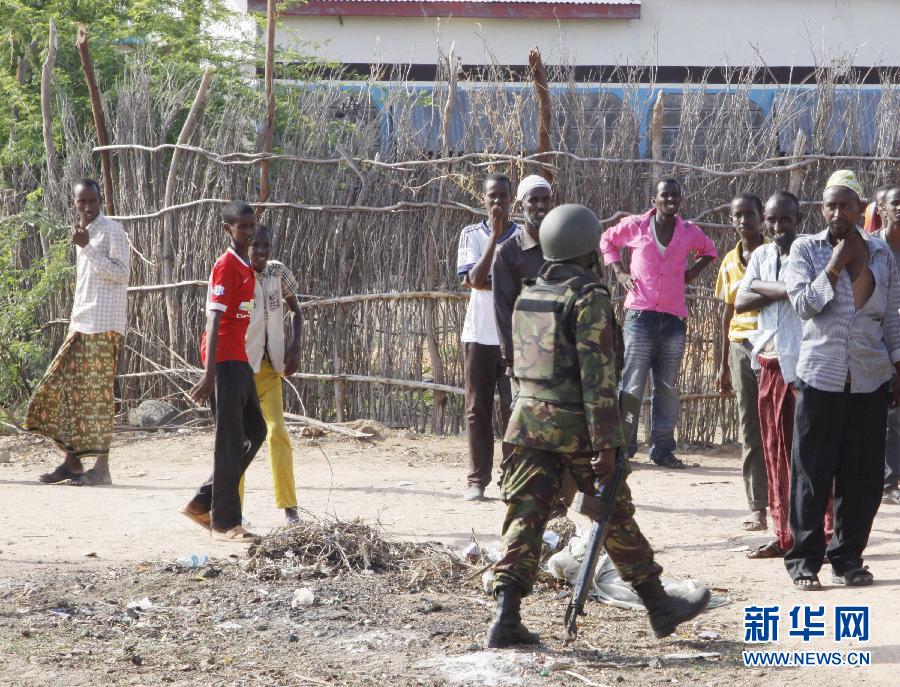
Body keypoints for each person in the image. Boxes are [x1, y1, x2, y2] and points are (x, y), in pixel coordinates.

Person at [486, 204, 710, 649]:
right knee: (613, 515)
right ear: (589, 252)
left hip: (526, 424)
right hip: (576, 428)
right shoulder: (588, 298)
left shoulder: (530, 293)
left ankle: (505, 615)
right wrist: (608, 447)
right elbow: (598, 379)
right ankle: (659, 606)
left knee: (524, 517)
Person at [784, 170, 900, 590]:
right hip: (820, 376)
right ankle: (804, 561)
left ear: (859, 209)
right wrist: (836, 264)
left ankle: (848, 557)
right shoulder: (806, 250)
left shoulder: (882, 254)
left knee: (863, 475)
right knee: (812, 472)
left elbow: (891, 318)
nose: (838, 212)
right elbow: (803, 306)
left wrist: (897, 365)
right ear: (822, 209)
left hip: (870, 377)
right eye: (831, 205)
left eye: (846, 205)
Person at [736, 191, 833, 559]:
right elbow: (741, 300)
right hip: (770, 363)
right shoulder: (761, 254)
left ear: (799, 217)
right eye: (772, 221)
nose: (778, 227)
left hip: (804, 366)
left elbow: (812, 298)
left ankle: (822, 533)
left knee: (808, 455)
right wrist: (784, 291)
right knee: (775, 452)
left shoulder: (810, 250)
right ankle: (784, 535)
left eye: (785, 220)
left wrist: (763, 287)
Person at [599, 179, 717, 468]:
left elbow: (710, 252)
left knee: (666, 386)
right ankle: (624, 447)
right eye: (665, 195)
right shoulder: (635, 226)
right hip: (640, 316)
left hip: (674, 319)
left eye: (675, 195)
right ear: (654, 200)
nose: (671, 199)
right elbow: (606, 241)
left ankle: (662, 449)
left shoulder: (689, 232)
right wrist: (619, 273)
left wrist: (690, 274)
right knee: (632, 383)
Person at [25, 179, 130, 486]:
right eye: (81, 202)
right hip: (82, 322)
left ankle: (102, 467)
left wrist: (87, 248)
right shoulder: (81, 233)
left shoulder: (112, 230)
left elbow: (122, 274)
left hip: (104, 325)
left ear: (101, 201)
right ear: (74, 204)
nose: (87, 207)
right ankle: (72, 462)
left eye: (92, 201)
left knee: (97, 395)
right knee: (63, 390)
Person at [182, 201, 267, 543]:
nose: (248, 231)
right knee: (229, 441)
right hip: (224, 360)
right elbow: (214, 319)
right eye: (242, 226)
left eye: (251, 226)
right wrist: (209, 373)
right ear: (227, 230)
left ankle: (204, 501)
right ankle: (224, 524)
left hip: (239, 357)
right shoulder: (226, 266)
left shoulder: (247, 265)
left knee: (256, 431)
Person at [456, 173, 517, 501]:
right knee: (476, 410)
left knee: (514, 410)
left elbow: (526, 284)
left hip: (513, 338)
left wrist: (499, 283)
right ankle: (477, 480)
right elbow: (475, 280)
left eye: (503, 197)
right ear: (483, 199)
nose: (498, 203)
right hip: (479, 335)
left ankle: (511, 479)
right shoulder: (471, 234)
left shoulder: (524, 236)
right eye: (492, 197)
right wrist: (494, 237)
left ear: (512, 199)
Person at [239, 224, 303, 524]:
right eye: (256, 245)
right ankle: (232, 509)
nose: (261, 251)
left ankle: (289, 507)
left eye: (266, 245)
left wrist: (295, 345)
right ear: (246, 245)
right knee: (240, 440)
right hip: (241, 368)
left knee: (277, 432)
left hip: (270, 368)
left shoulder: (278, 273)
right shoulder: (238, 274)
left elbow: (296, 309)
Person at [714, 194, 768, 532]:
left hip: (772, 348)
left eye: (749, 214)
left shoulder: (776, 254)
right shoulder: (729, 262)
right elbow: (727, 313)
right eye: (737, 215)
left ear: (762, 217)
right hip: (739, 347)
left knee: (778, 427)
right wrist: (722, 364)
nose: (743, 221)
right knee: (750, 429)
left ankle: (784, 502)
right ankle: (758, 506)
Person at [493, 174, 553, 372]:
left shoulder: (565, 247)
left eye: (545, 200)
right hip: (527, 356)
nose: (540, 206)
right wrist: (512, 358)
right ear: (520, 205)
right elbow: (503, 309)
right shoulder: (508, 253)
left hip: (565, 355)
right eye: (533, 200)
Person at [872, 185, 900, 505]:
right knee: (884, 413)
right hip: (877, 340)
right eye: (896, 203)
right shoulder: (873, 247)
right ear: (882, 209)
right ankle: (886, 481)